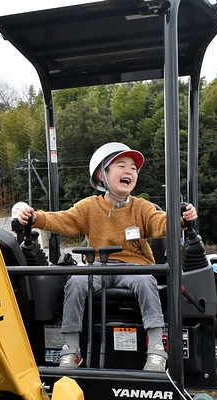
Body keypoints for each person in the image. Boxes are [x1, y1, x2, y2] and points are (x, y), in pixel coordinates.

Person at [18, 142, 197, 371]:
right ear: (102, 175)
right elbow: (63, 219)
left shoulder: (141, 208)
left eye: (133, 168)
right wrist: (36, 218)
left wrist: (180, 220)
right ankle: (71, 349)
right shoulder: (89, 207)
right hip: (97, 268)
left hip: (134, 268)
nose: (129, 172)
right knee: (75, 281)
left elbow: (159, 222)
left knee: (146, 281)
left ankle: (155, 349)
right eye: (121, 166)